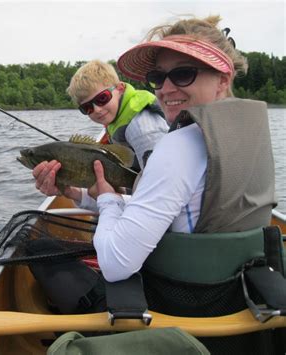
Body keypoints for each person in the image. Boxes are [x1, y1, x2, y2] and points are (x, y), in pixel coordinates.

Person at [33, 14, 276, 284]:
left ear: (222, 78)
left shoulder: (180, 145)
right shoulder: (238, 134)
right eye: (157, 77)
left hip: (182, 297)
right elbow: (165, 206)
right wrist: (79, 194)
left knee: (39, 250)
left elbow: (114, 266)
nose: (166, 89)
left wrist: (108, 201)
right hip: (237, 289)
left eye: (184, 73)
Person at [37, 60, 169, 204]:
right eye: (87, 108)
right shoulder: (117, 119)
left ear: (120, 88)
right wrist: (71, 192)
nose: (97, 109)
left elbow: (162, 192)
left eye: (102, 98)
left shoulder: (142, 129)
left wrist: (110, 200)